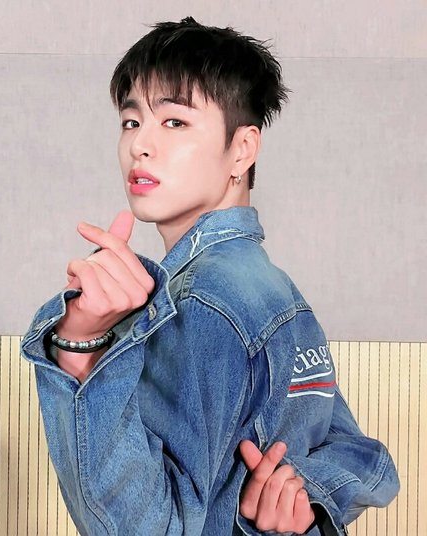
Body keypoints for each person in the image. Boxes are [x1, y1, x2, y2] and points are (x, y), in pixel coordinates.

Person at [21, 16, 399, 535]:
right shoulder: (273, 288)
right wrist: (303, 497)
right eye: (131, 121)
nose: (140, 145)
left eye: (174, 122)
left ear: (241, 150)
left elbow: (148, 527)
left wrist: (81, 351)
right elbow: (364, 459)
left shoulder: (201, 301)